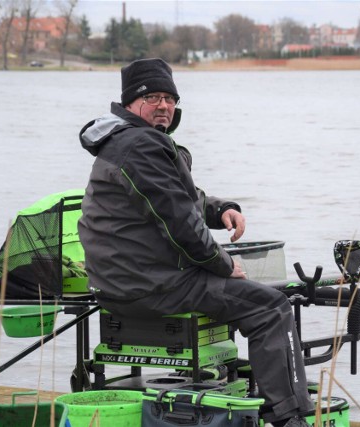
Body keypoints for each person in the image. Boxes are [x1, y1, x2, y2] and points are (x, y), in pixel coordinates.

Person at [77, 58, 314, 427]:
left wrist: (220, 211)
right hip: (149, 284)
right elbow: (181, 226)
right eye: (152, 97)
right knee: (271, 307)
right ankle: (289, 416)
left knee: (249, 297)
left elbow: (181, 198)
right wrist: (224, 264)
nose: (163, 106)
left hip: (125, 281)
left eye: (170, 99)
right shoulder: (139, 146)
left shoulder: (127, 141)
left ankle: (248, 396)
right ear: (129, 103)